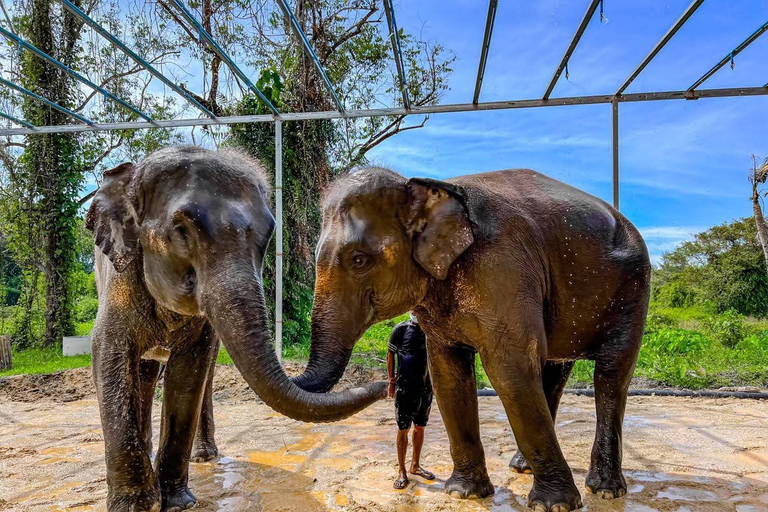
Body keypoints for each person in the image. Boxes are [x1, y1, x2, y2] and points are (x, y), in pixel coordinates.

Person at [387, 313, 435, 489]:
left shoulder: (431, 330)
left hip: (426, 388)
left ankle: (415, 465)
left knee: (420, 427)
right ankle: (402, 471)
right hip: (405, 388)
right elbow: (390, 355)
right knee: (403, 429)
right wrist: (391, 381)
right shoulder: (400, 329)